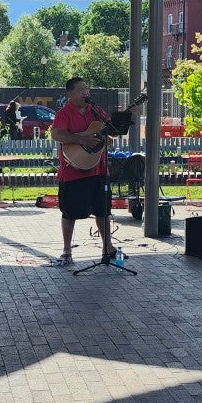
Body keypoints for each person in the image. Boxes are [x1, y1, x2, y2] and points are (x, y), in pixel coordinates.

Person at [50, 77, 130, 264]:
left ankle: (108, 247)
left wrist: (125, 118)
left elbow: (112, 131)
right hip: (72, 171)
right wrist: (82, 139)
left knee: (103, 210)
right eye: (80, 89)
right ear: (70, 94)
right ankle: (67, 250)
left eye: (86, 88)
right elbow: (56, 134)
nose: (85, 92)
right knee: (69, 212)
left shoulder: (97, 112)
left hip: (98, 169)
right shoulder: (64, 113)